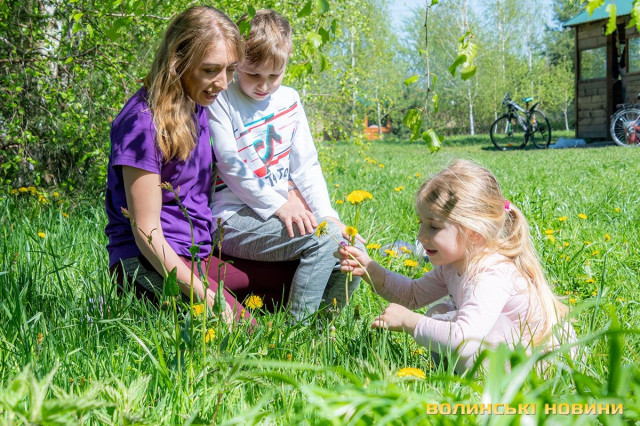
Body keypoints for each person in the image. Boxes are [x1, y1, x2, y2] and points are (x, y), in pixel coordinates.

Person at [104, 6, 295, 322]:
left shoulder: (197, 103)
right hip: (148, 262)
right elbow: (146, 232)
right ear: (177, 61)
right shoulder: (142, 123)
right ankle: (137, 308)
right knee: (247, 335)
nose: (223, 83)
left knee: (297, 277)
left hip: (199, 252)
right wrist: (206, 296)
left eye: (230, 70)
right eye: (210, 70)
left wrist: (292, 194)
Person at [338, 160, 574, 372]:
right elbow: (413, 295)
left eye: (434, 226)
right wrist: (371, 270)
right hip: (515, 353)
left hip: (547, 364)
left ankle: (474, 382)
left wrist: (410, 322)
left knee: (460, 330)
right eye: (421, 223)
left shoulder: (490, 274)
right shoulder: (452, 266)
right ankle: (455, 375)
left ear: (474, 233)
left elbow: (465, 340)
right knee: (439, 313)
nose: (421, 235)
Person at [207, 9, 364, 320]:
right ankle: (297, 331)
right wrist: (279, 205)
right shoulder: (223, 99)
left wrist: (328, 216)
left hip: (279, 213)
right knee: (322, 242)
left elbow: (306, 166)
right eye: (253, 74)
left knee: (351, 247)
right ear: (237, 60)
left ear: (287, 61)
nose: (264, 86)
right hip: (232, 218)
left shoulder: (290, 100)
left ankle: (323, 330)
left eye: (274, 76)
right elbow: (229, 164)